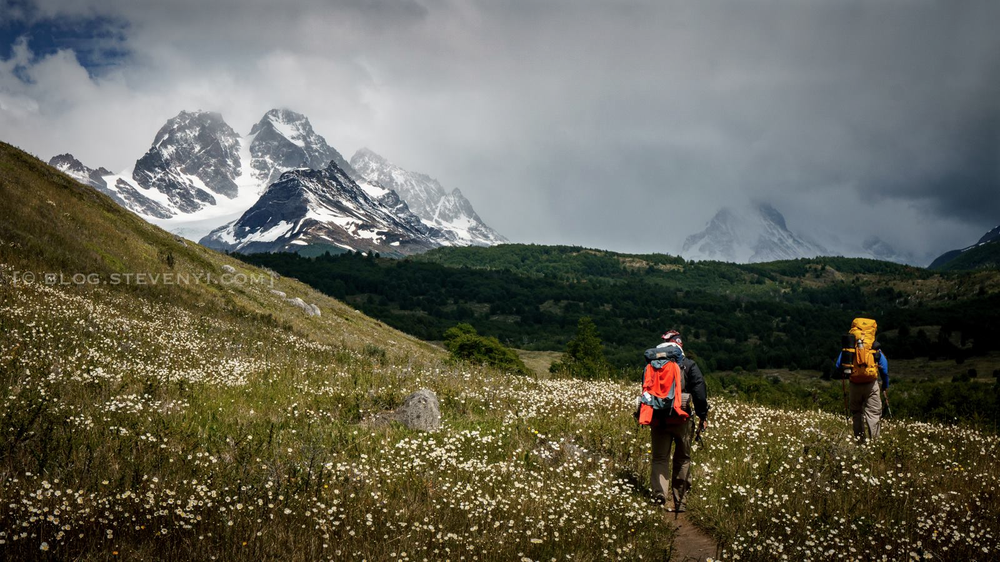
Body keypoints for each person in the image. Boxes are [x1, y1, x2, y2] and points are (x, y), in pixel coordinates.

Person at [647, 330, 709, 513]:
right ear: (679, 346)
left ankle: (659, 495)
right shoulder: (688, 365)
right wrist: (702, 415)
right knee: (682, 459)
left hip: (658, 418)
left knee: (659, 458)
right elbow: (699, 392)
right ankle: (680, 500)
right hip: (682, 418)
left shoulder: (653, 364)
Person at [836, 342, 889, 444]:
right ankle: (875, 444)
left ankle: (860, 443)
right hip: (871, 384)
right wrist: (885, 385)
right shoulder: (874, 347)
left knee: (857, 413)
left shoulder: (849, 348)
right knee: (873, 414)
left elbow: (838, 365)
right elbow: (885, 369)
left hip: (854, 384)